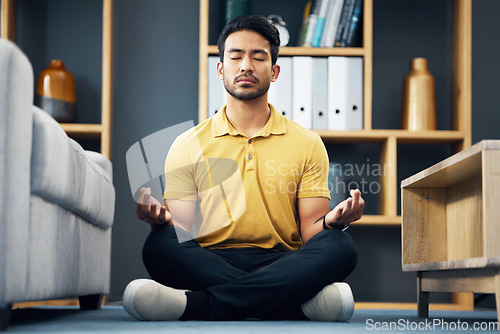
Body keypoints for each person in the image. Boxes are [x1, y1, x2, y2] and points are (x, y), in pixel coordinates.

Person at [123, 15, 364, 322]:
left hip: (284, 261)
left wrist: (330, 223)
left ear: (274, 71)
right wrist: (160, 220)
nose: (246, 65)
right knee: (159, 245)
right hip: (209, 259)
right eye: (235, 56)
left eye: (258, 57)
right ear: (221, 69)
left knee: (340, 245)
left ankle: (192, 306)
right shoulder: (187, 144)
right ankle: (298, 306)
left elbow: (311, 233)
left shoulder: (308, 143)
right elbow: (182, 231)